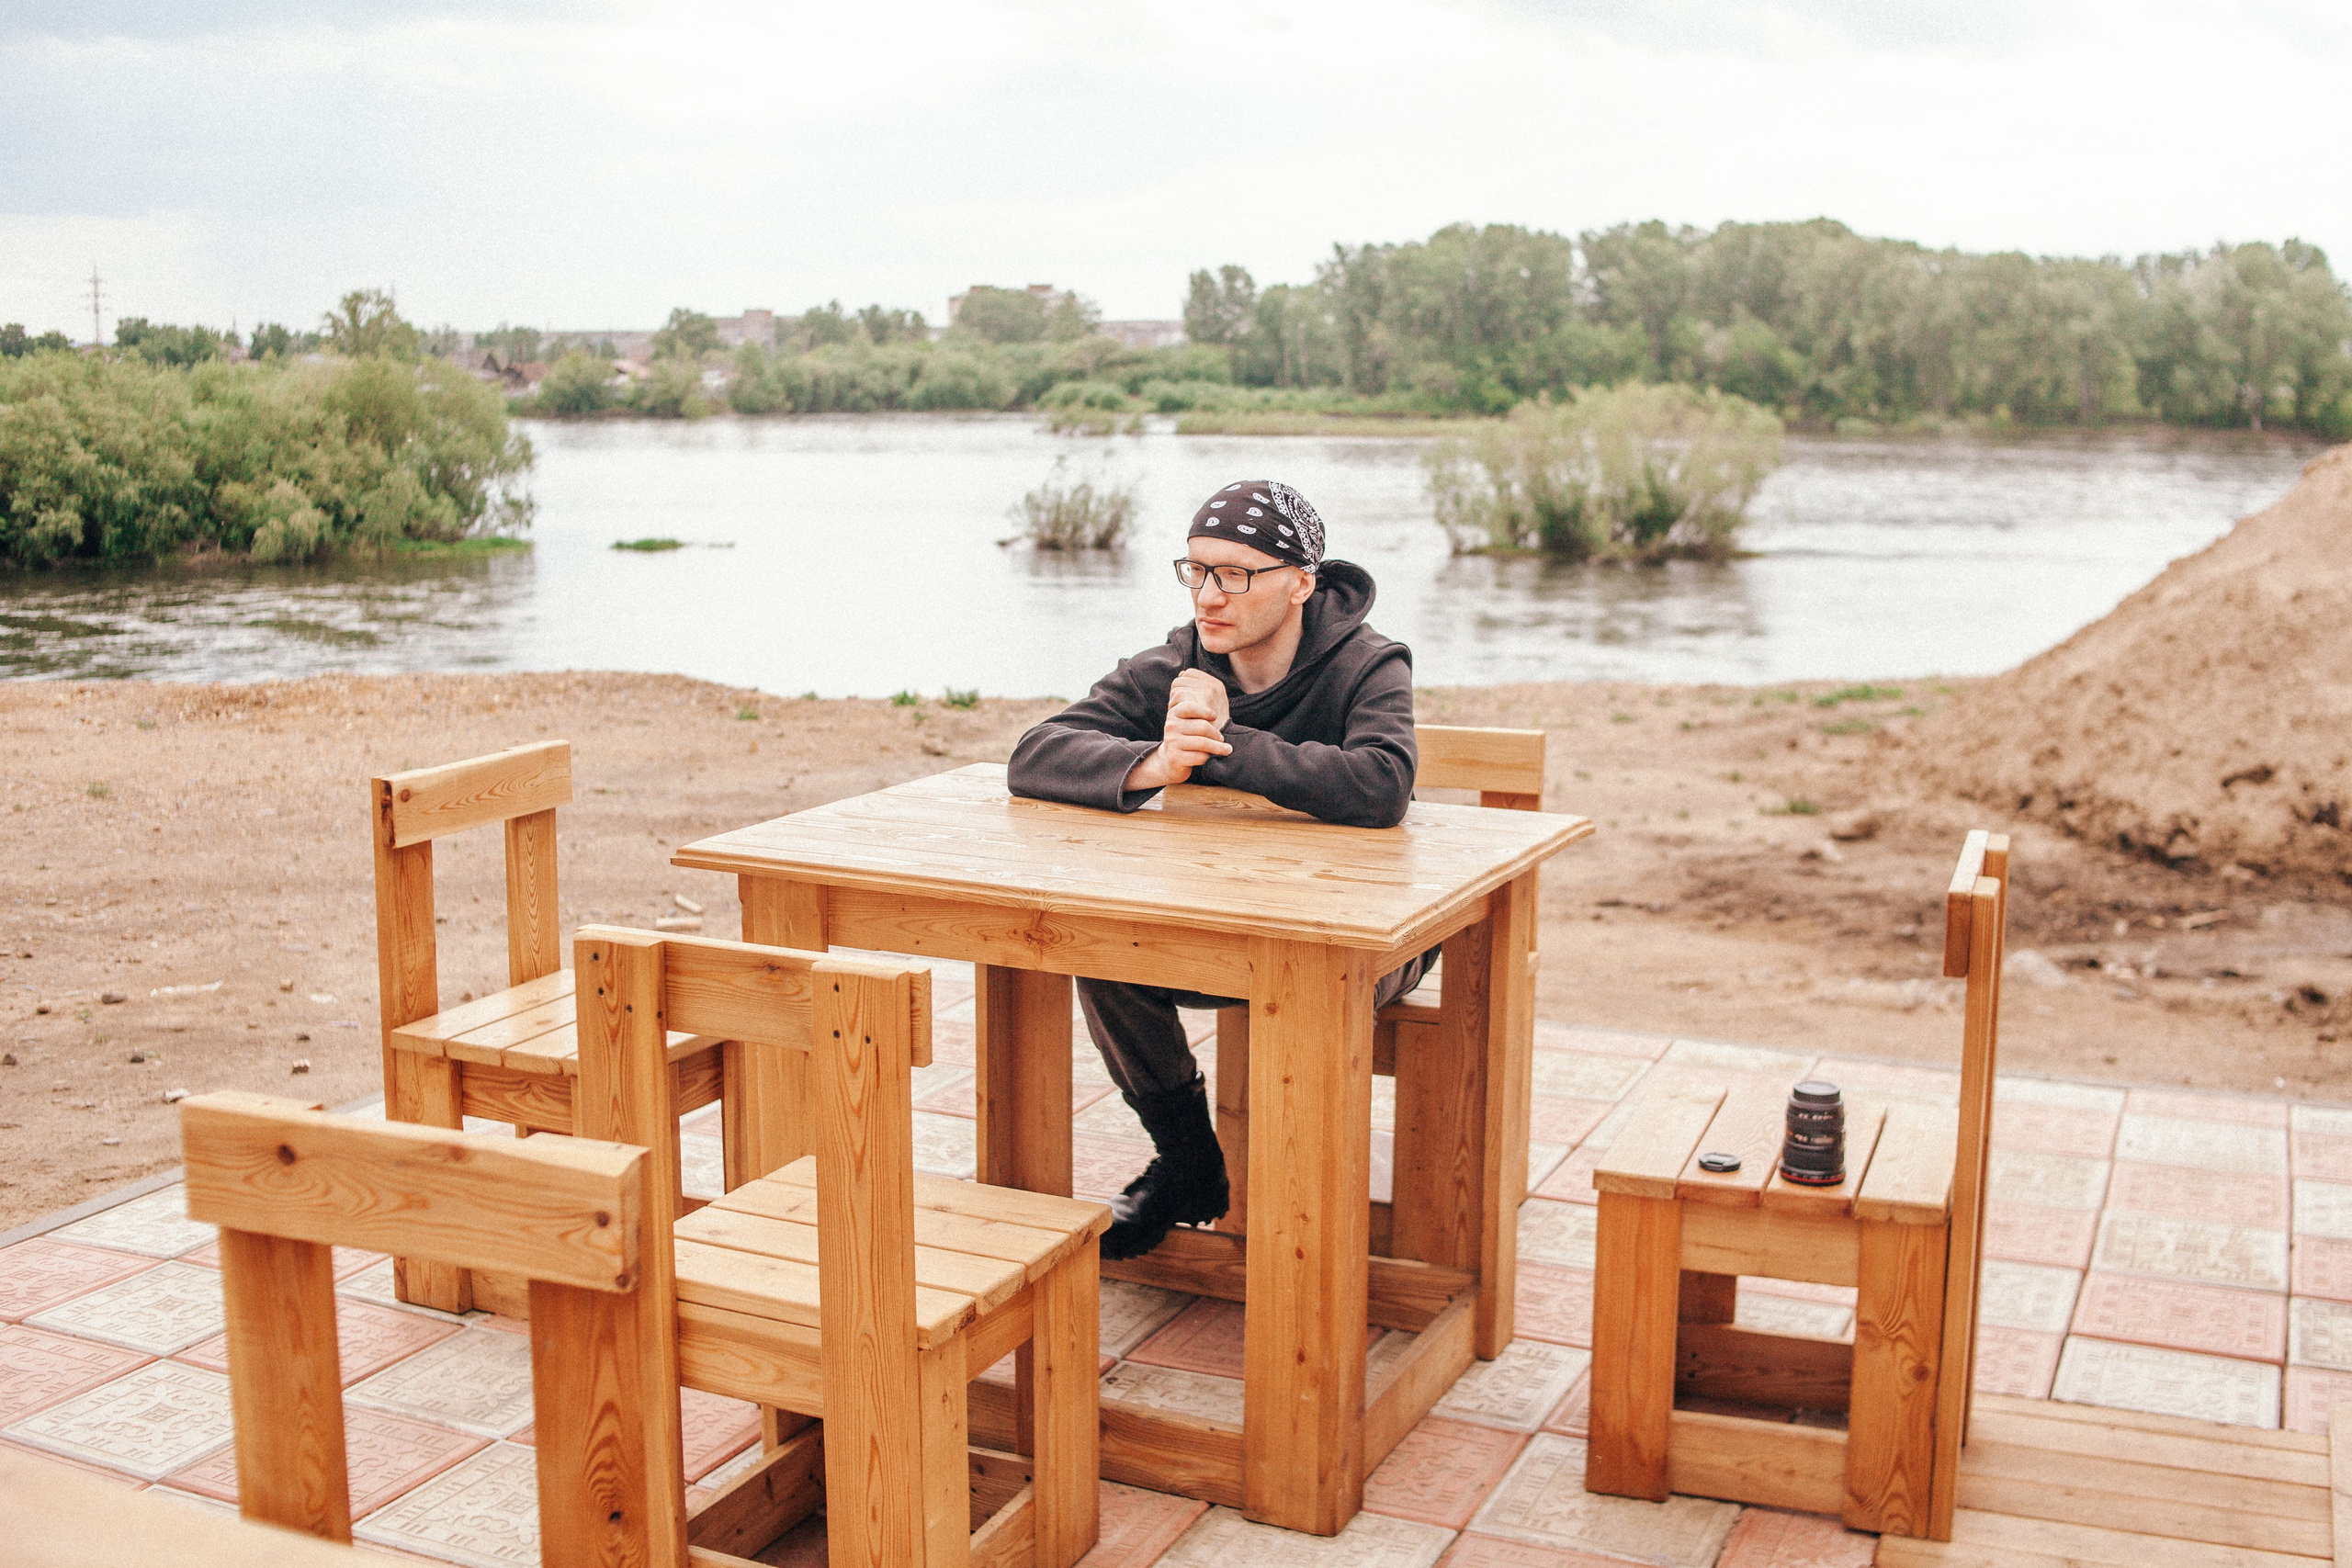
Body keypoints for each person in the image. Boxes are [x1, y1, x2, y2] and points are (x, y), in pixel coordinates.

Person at [1007, 479, 1432, 1258]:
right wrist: (1156, 762)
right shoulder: (1178, 663)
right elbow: (1035, 752)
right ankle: (1188, 1162)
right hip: (1227, 924)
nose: (1208, 595)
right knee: (1101, 949)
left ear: (1300, 582)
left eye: (1235, 574)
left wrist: (1223, 743)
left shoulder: (1368, 663)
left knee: (1314, 976)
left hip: (1366, 937)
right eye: (1197, 569)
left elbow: (1383, 784)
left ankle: (1305, 1232)